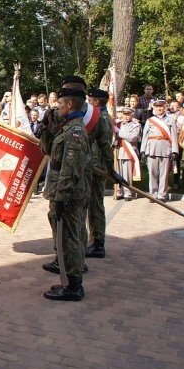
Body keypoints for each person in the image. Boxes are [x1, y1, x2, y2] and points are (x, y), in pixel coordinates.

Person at [42, 87, 90, 301]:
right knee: (69, 237)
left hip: (69, 195)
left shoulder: (75, 132)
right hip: (67, 193)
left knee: (69, 239)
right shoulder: (68, 127)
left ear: (70, 104)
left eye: (60, 104)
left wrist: (61, 197)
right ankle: (71, 282)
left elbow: (69, 169)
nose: (58, 107)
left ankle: (73, 287)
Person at [84, 88, 115, 259]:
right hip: (95, 166)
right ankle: (95, 241)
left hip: (96, 168)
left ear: (96, 102)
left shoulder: (101, 118)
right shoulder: (100, 116)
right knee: (93, 205)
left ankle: (98, 244)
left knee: (95, 206)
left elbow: (101, 146)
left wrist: (97, 167)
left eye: (89, 100)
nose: (88, 103)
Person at [140, 100, 179, 202]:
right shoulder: (150, 121)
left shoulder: (171, 120)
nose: (158, 108)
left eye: (160, 106)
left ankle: (162, 195)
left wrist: (174, 151)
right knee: (152, 173)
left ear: (165, 107)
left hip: (165, 149)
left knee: (164, 174)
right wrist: (143, 151)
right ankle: (153, 194)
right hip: (151, 149)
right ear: (154, 108)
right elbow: (145, 136)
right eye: (156, 107)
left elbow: (174, 136)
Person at [114, 107, 142, 201]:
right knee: (118, 173)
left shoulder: (136, 125)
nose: (126, 116)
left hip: (128, 151)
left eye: (128, 114)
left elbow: (132, 137)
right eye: (124, 114)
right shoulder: (117, 124)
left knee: (127, 174)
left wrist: (118, 132)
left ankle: (128, 192)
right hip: (118, 151)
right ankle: (119, 191)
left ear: (132, 115)